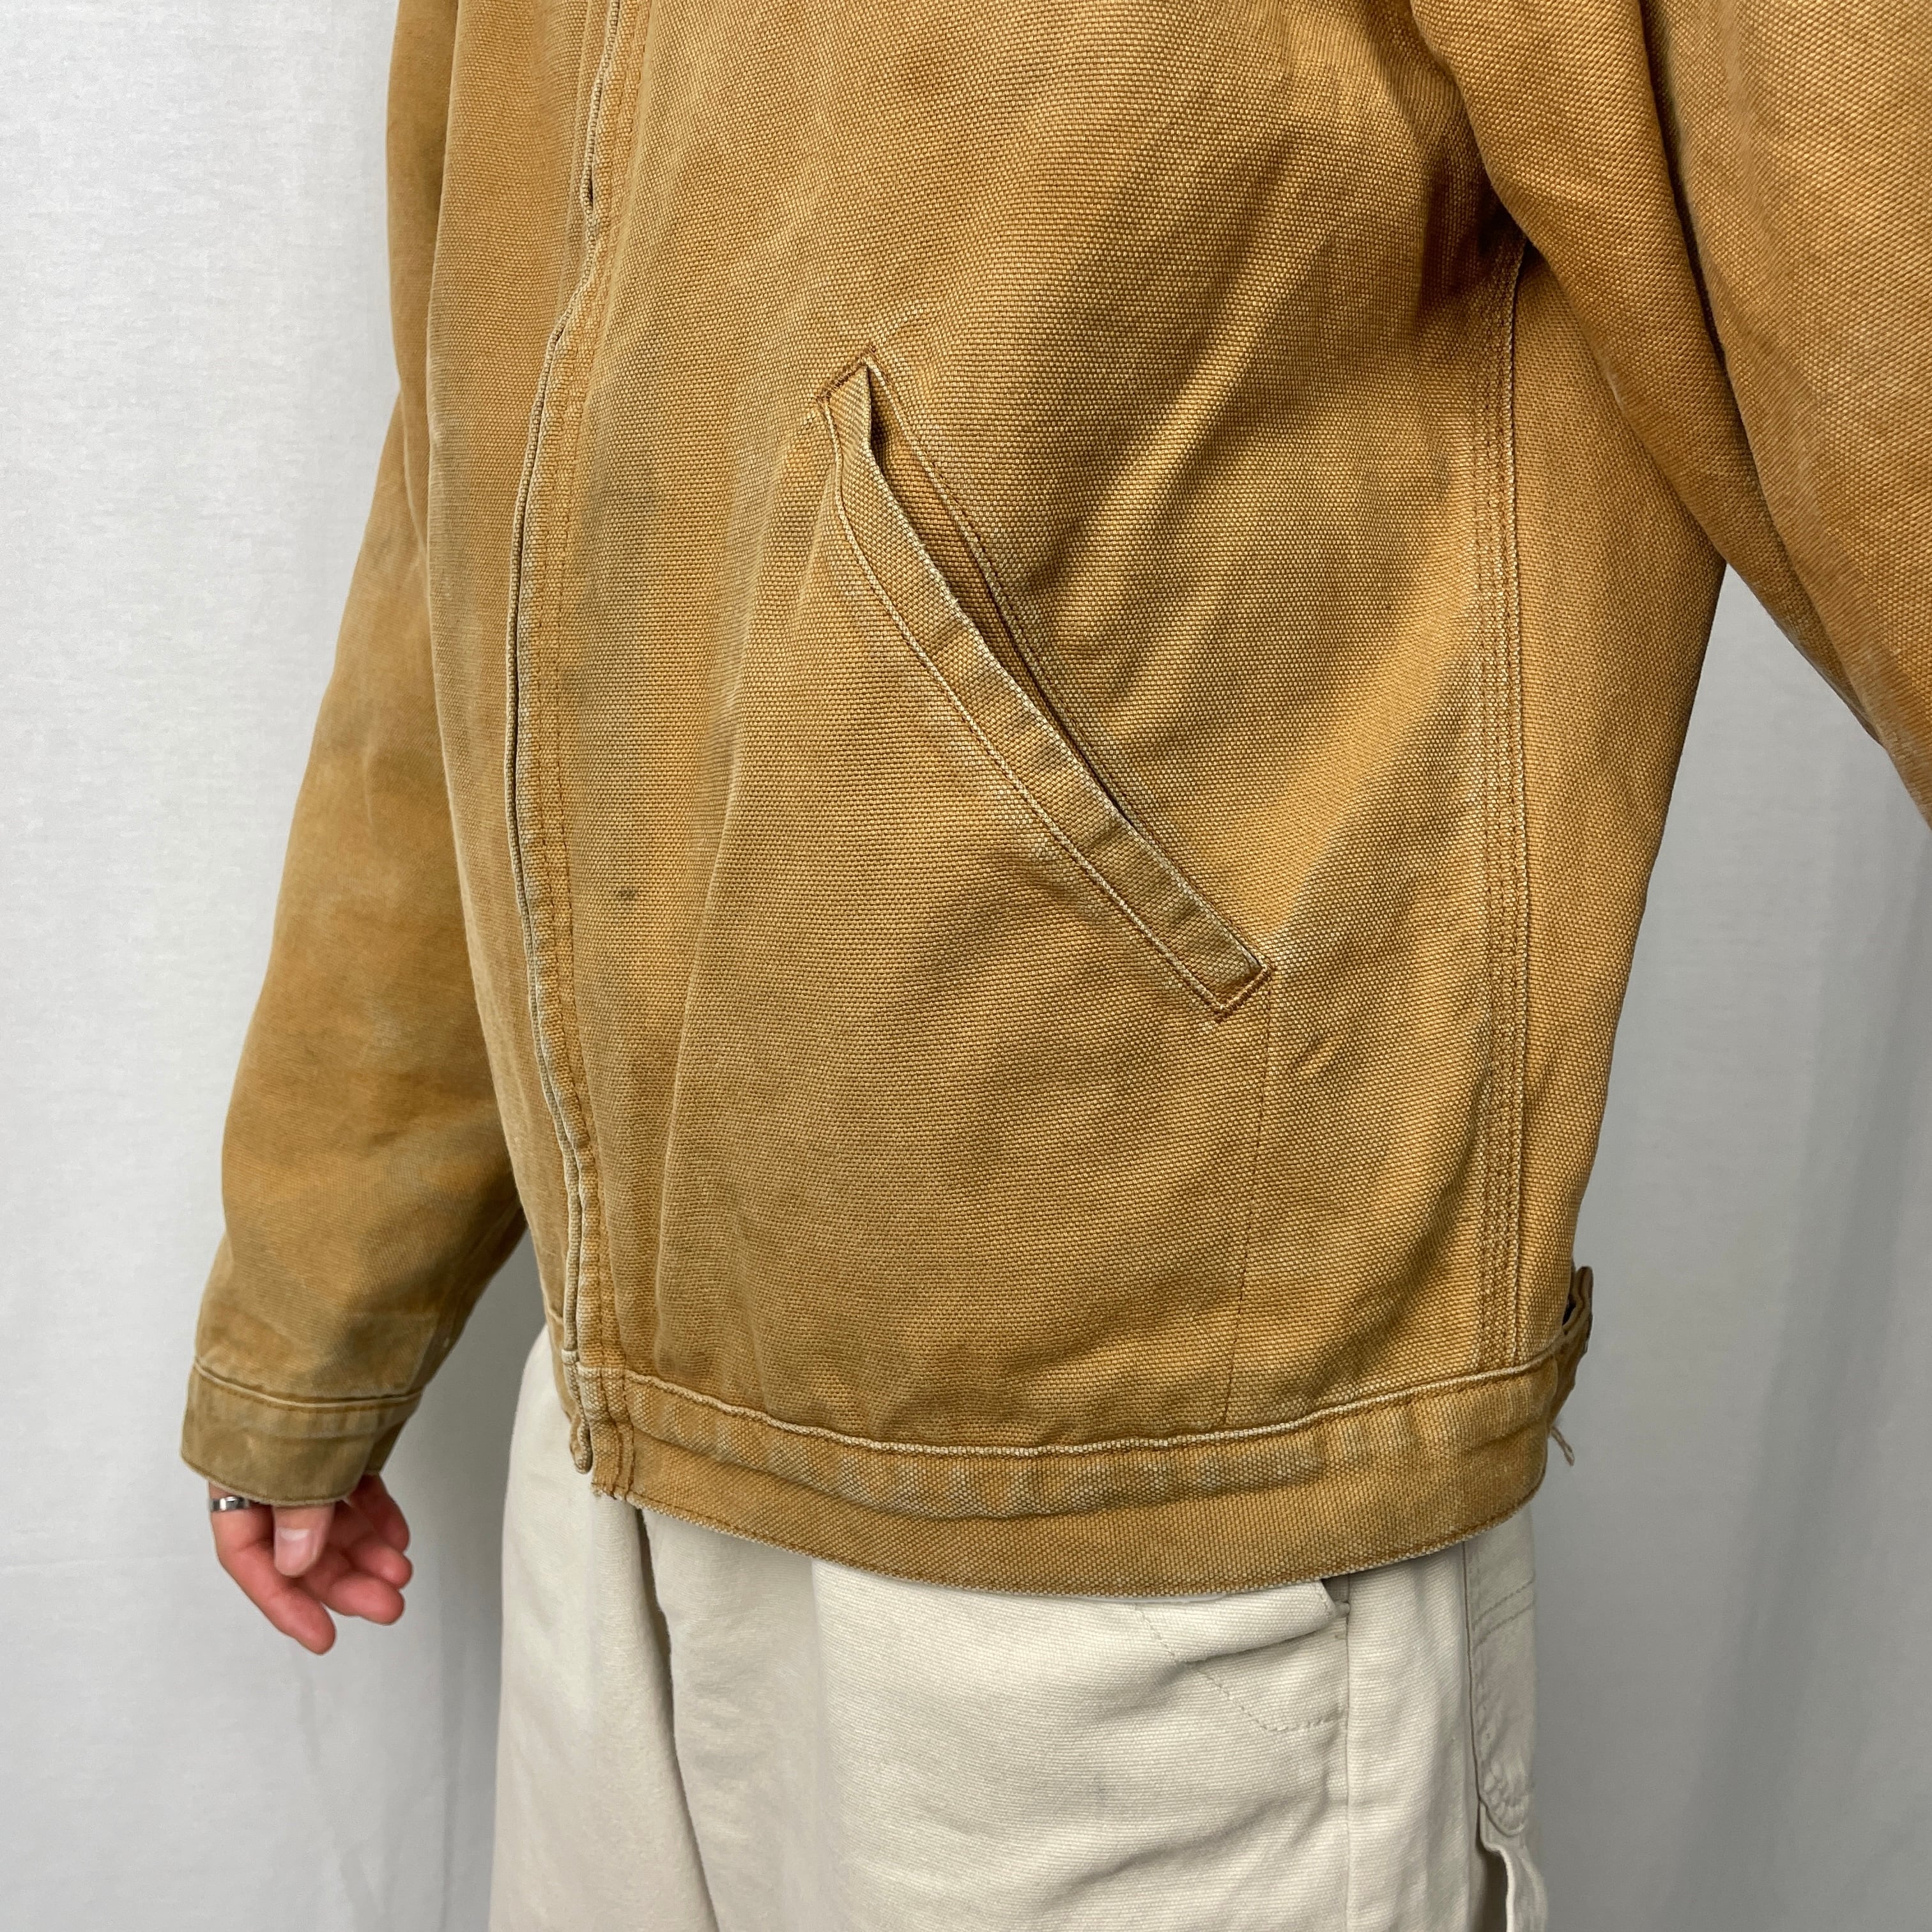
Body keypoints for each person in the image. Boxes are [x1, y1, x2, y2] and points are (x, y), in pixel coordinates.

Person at [187, 1, 1931, 1926]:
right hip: (622, 1447)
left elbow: (1883, 298)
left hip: (1142, 1493)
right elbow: (479, 507)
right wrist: (319, 1299)